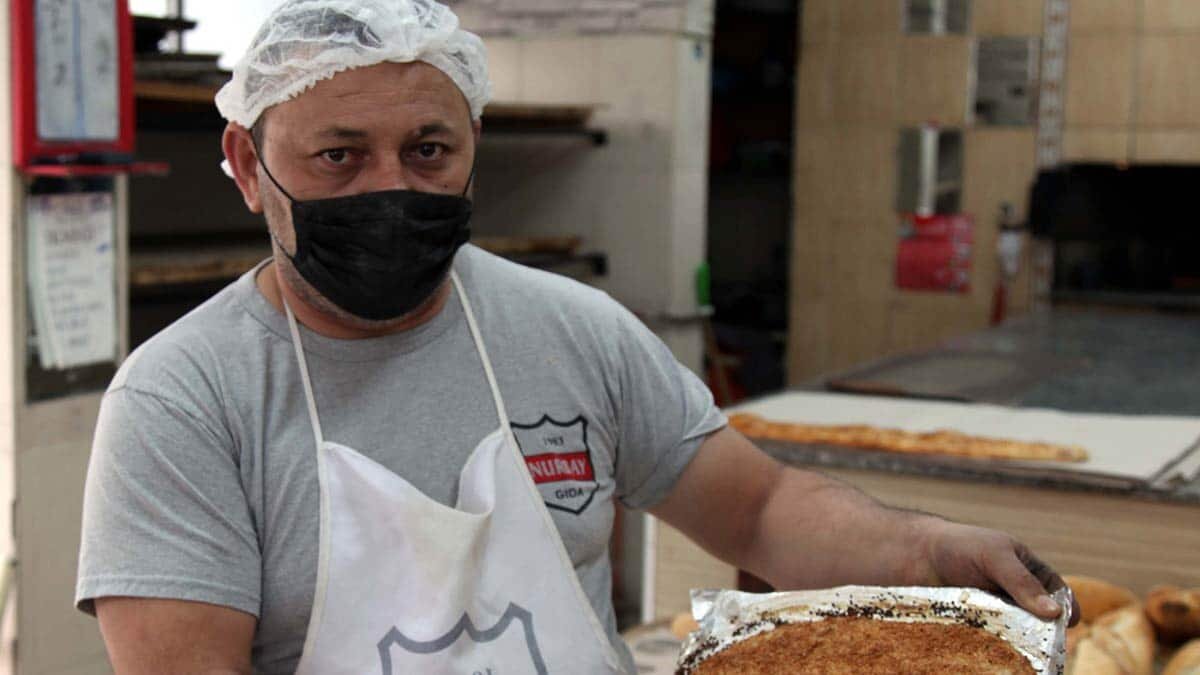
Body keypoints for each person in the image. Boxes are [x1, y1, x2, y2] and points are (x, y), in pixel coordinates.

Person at [75, 1, 1078, 673]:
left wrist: (922, 551)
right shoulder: (183, 401)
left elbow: (761, 509)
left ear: (472, 146)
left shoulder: (569, 329)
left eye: (428, 150)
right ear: (248, 165)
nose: (391, 187)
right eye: (339, 156)